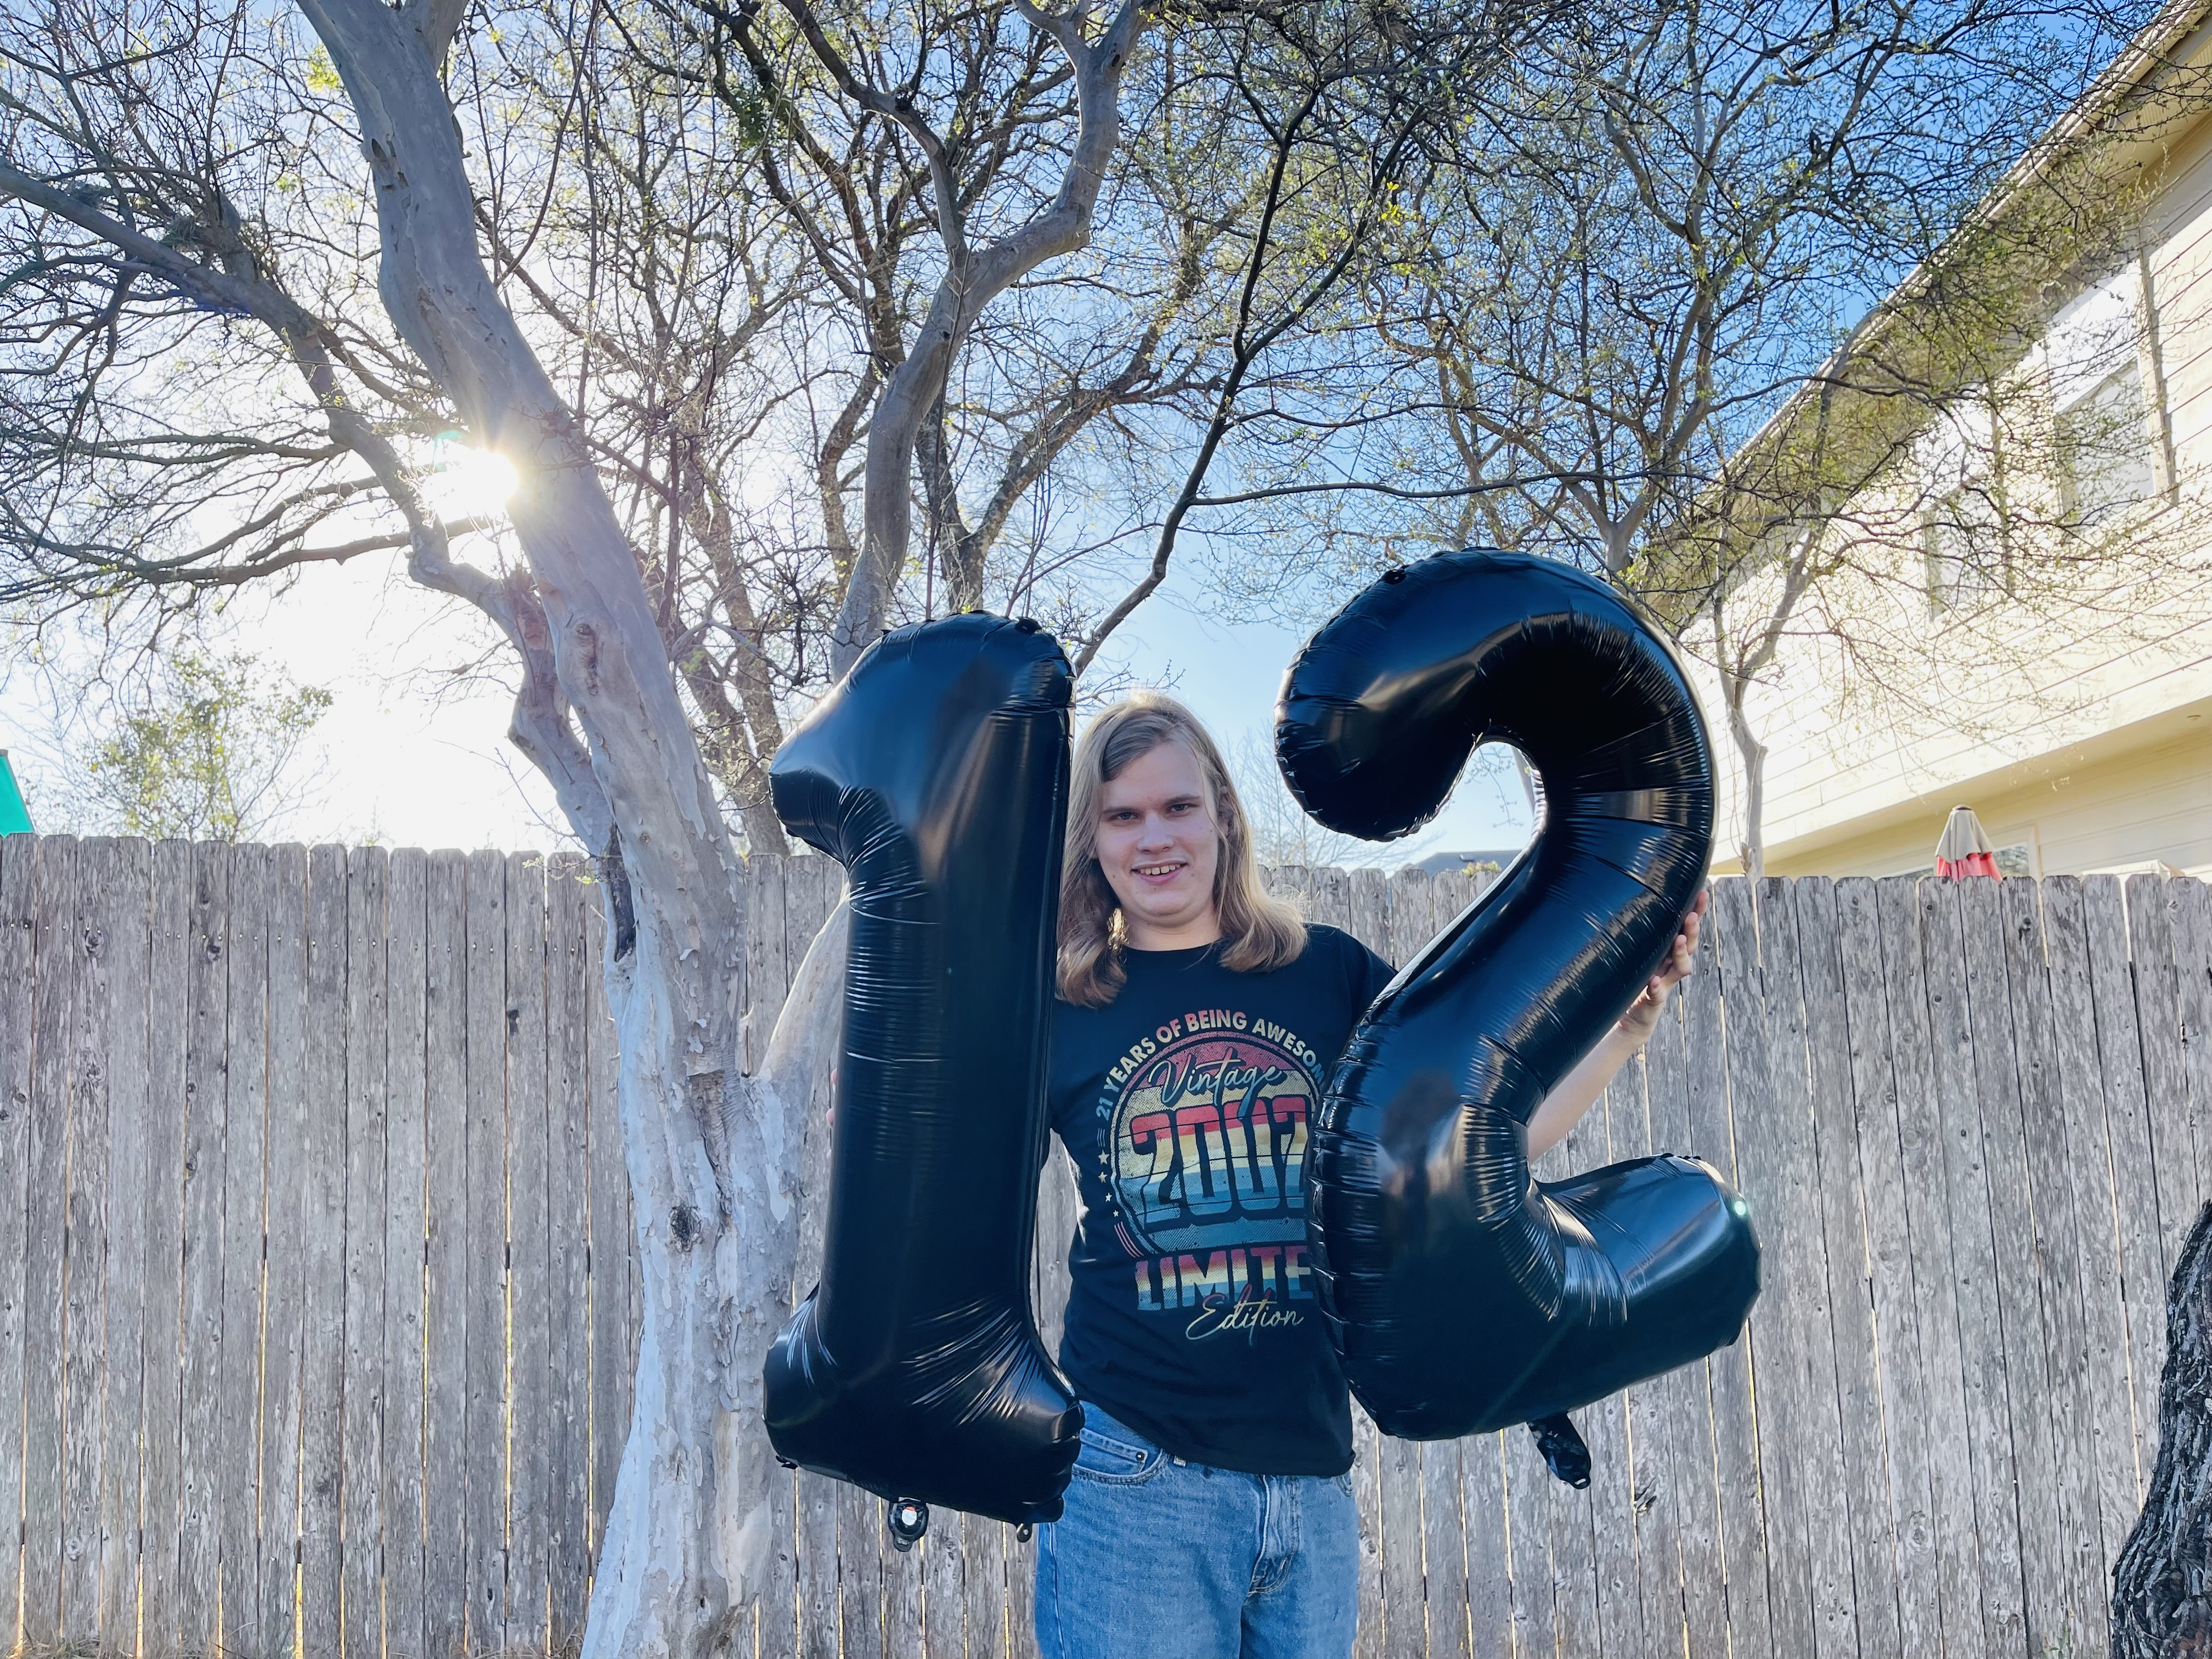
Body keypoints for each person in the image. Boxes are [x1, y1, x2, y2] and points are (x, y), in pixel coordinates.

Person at [1034, 692, 1706, 1659]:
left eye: (1178, 806)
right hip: (1134, 1478)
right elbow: (951, 1193)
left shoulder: (1328, 977)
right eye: (1122, 816)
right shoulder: (1057, 1010)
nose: (1155, 839)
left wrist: (1629, 1027)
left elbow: (1472, 1147)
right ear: (1091, 841)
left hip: (1310, 1481)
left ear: (1223, 814)